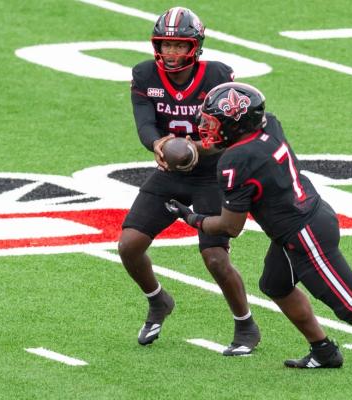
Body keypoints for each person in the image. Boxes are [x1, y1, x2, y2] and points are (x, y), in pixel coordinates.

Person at [165, 82, 352, 386]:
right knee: (275, 284)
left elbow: (230, 227)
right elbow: (234, 149)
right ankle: (323, 350)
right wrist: (193, 149)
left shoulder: (234, 161)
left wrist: (192, 218)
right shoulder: (268, 125)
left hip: (305, 235)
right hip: (306, 216)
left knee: (350, 306)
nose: (206, 128)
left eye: (213, 122)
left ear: (236, 124)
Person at [118, 7, 260, 355]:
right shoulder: (144, 74)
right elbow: (145, 124)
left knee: (215, 258)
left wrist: (196, 148)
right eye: (166, 45)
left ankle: (246, 325)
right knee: (129, 245)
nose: (171, 52)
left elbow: (234, 132)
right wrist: (158, 144)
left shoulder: (217, 75)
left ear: (194, 46)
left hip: (210, 175)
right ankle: (158, 300)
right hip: (170, 172)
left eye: (179, 45)